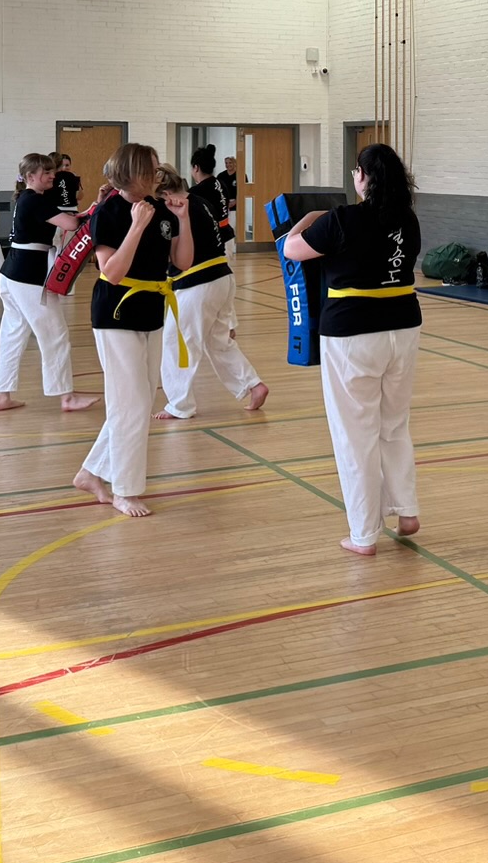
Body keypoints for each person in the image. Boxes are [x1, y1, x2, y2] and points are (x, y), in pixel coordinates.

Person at [281, 143, 422, 557]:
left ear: (363, 175)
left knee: (354, 433)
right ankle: (406, 509)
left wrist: (307, 219)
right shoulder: (407, 220)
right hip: (403, 329)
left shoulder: (342, 219)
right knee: (393, 423)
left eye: (356, 172)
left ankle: (363, 534)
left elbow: (291, 248)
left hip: (353, 334)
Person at [75, 145, 194, 518]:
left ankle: (91, 472)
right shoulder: (108, 212)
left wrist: (183, 218)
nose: (159, 175)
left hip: (151, 311)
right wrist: (137, 225)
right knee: (130, 404)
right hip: (115, 314)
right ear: (135, 172)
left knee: (141, 399)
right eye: (153, 170)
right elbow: (110, 271)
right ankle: (124, 490)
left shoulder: (161, 210)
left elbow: (183, 261)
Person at [156, 163, 267, 420]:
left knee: (178, 343)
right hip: (221, 278)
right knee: (218, 342)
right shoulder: (198, 200)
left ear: (162, 191)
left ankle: (180, 404)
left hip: (198, 282)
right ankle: (253, 385)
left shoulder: (172, 208)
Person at [0, 153, 98, 416]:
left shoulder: (26, 199)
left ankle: (2, 395)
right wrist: (97, 211)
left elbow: (71, 217)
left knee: (13, 334)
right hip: (28, 276)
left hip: (12, 273)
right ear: (30, 177)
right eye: (46, 172)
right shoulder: (34, 200)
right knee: (55, 335)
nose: (52, 175)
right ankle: (66, 396)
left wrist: (93, 207)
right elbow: (72, 223)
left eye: (52, 171)